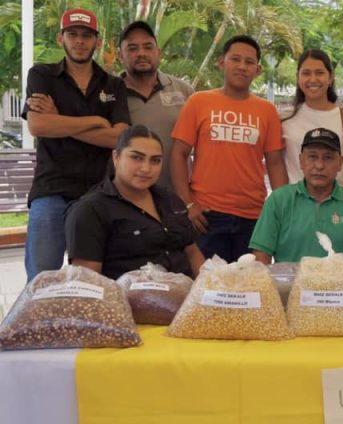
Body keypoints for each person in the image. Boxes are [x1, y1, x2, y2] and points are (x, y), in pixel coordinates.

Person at [21, 7, 131, 281]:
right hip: (51, 190)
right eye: (72, 34)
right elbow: (39, 126)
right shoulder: (42, 75)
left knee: (95, 282)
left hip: (98, 193)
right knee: (40, 280)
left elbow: (118, 138)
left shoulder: (113, 84)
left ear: (97, 41)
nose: (79, 41)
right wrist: (95, 120)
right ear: (61, 39)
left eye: (86, 35)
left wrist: (60, 120)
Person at [171, 35, 288, 263]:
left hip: (253, 217)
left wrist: (282, 211)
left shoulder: (267, 111)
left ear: (258, 69)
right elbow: (178, 154)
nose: (242, 66)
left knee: (248, 290)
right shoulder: (198, 102)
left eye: (249, 62)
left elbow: (274, 162)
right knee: (207, 288)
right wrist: (187, 205)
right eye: (236, 59)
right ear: (222, 63)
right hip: (206, 217)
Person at [65, 125, 205, 280]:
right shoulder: (90, 210)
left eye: (155, 160)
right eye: (136, 157)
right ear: (116, 157)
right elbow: (87, 282)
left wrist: (205, 291)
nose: (146, 168)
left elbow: (192, 252)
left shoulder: (171, 201)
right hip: (124, 301)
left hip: (184, 298)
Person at [250, 128, 343, 283]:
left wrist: (331, 292)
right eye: (312, 157)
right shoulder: (278, 200)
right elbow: (260, 260)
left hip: (340, 297)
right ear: (301, 161)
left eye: (328, 158)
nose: (319, 165)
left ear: (340, 163)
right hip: (288, 296)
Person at [118, 20, 194, 190]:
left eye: (148, 47)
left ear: (158, 52)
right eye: (132, 48)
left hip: (176, 197)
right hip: (125, 199)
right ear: (120, 56)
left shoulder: (184, 91)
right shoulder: (109, 93)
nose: (141, 53)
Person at [281, 49, 343, 187]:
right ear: (298, 77)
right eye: (306, 73)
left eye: (319, 73)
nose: (313, 79)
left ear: (330, 77)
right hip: (295, 204)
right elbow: (278, 165)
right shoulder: (285, 119)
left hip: (336, 205)